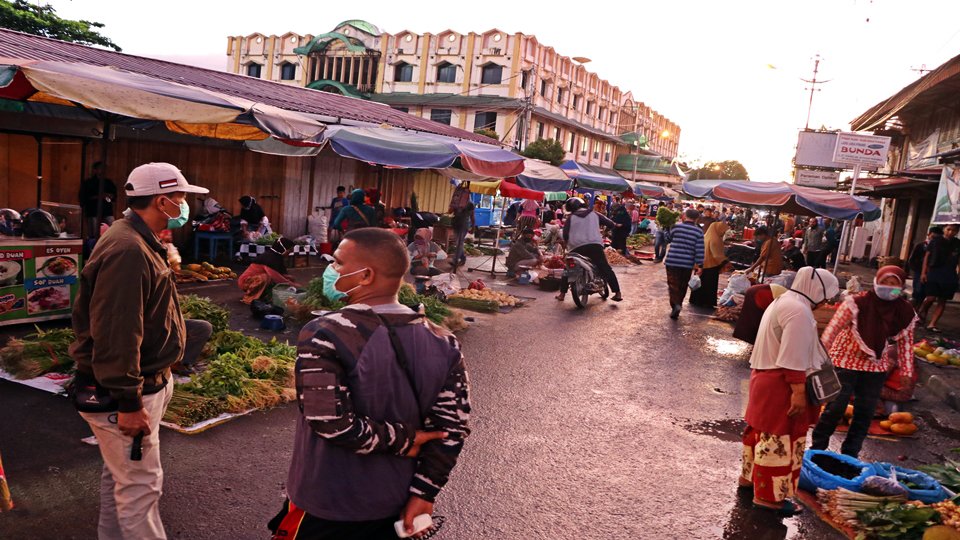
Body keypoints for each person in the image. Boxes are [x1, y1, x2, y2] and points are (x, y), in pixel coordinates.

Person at [272, 228, 470, 540]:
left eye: (337, 263)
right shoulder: (444, 341)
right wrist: (424, 494)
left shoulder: (324, 333)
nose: (331, 271)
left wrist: (404, 440)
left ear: (366, 276)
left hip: (327, 504)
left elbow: (329, 422)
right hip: (398, 502)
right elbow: (451, 428)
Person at [70, 162, 207, 539]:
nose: (184, 206)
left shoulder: (137, 237)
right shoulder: (128, 249)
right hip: (128, 392)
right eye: (180, 198)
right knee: (140, 488)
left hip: (145, 383)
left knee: (122, 479)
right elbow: (117, 332)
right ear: (162, 201)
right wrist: (129, 402)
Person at [741, 267, 839, 516]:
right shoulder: (799, 311)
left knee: (760, 435)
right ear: (818, 291)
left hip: (765, 377)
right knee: (778, 442)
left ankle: (749, 480)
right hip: (780, 384)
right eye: (826, 297)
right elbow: (793, 357)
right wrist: (797, 392)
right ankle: (769, 499)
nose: (826, 303)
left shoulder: (785, 300)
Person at [811, 266, 917, 458]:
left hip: (875, 365)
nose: (888, 287)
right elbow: (832, 330)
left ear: (901, 288)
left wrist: (907, 373)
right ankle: (817, 448)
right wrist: (820, 358)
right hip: (845, 359)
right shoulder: (856, 303)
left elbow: (907, 343)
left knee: (865, 413)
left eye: (894, 285)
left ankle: (850, 455)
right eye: (884, 282)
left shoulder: (903, 311)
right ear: (876, 281)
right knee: (835, 408)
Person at [556, 197, 623, 302]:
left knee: (568, 269)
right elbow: (611, 224)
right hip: (594, 246)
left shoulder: (571, 218)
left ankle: (562, 294)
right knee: (605, 268)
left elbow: (565, 235)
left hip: (575, 248)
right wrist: (604, 232)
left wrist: (567, 243)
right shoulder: (594, 214)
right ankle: (617, 293)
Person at [918, 223, 960, 332]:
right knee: (930, 298)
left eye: (954, 230)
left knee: (942, 300)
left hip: (949, 275)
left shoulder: (957, 243)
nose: (951, 232)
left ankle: (932, 324)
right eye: (948, 229)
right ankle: (921, 311)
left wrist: (958, 276)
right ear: (944, 229)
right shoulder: (935, 241)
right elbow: (927, 258)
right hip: (934, 272)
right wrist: (923, 273)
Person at [663, 209, 704, 319]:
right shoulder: (698, 232)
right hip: (687, 264)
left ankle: (675, 305)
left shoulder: (676, 227)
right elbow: (700, 250)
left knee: (673, 284)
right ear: (697, 218)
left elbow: (668, 239)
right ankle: (678, 305)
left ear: (685, 216)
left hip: (672, 261)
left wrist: (666, 229)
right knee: (682, 285)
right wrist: (700, 265)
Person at [237, 237, 297, 304]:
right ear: (283, 249)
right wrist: (292, 284)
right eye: (289, 250)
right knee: (266, 277)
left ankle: (266, 296)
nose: (290, 253)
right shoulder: (269, 258)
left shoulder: (277, 257)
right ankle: (250, 298)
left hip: (255, 280)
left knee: (289, 278)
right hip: (246, 282)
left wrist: (290, 279)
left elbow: (281, 275)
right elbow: (275, 276)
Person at [690, 221, 729, 308]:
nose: (723, 232)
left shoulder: (706, 236)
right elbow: (717, 255)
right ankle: (707, 303)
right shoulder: (715, 239)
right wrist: (726, 263)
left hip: (700, 264)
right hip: (710, 265)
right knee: (709, 285)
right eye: (723, 230)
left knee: (699, 283)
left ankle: (696, 301)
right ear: (718, 229)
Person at [79, 161, 118, 238]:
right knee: (93, 234)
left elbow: (114, 196)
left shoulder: (109, 182)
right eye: (100, 168)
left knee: (112, 231)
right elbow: (83, 197)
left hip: (107, 210)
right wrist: (98, 197)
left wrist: (109, 196)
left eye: (104, 168)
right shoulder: (88, 183)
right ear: (95, 170)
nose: (103, 170)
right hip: (93, 211)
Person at [909, 227, 941, 307]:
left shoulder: (940, 248)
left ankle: (921, 313)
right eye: (933, 237)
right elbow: (912, 260)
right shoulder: (920, 246)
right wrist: (918, 271)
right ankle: (912, 312)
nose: (934, 239)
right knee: (917, 292)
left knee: (927, 294)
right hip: (919, 273)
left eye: (937, 238)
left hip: (932, 275)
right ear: (928, 235)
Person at [450, 198, 475, 268]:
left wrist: (473, 227)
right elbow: (450, 211)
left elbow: (472, 216)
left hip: (463, 226)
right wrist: (454, 206)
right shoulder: (456, 201)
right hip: (455, 224)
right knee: (458, 243)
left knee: (459, 243)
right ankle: (463, 258)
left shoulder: (470, 204)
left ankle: (455, 260)